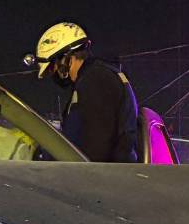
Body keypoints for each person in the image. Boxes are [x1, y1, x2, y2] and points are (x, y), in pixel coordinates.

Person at [27, 22, 139, 162]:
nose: (52, 73)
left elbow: (96, 149)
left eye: (51, 68)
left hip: (99, 179)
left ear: (66, 58)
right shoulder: (95, 77)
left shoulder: (96, 80)